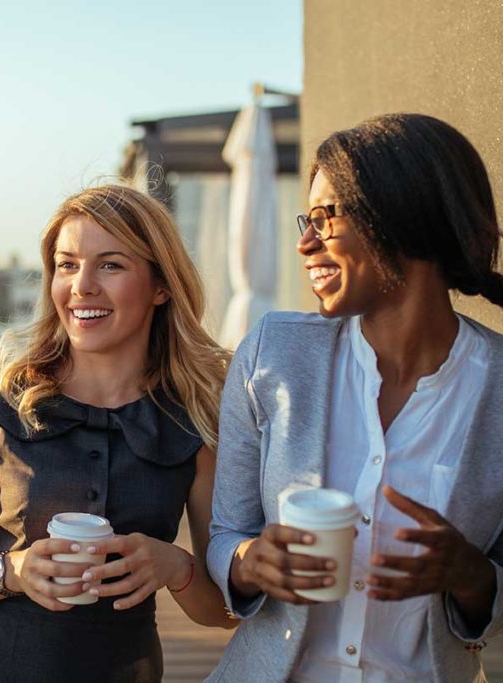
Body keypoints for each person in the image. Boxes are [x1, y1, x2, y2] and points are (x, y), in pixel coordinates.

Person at [207, 113, 503, 682]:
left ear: (399, 214)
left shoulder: (495, 388)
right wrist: (250, 564)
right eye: (305, 219)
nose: (304, 242)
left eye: (324, 218)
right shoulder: (272, 355)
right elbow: (226, 536)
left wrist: (471, 575)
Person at [0, 184, 236, 683]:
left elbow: (220, 610)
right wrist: (13, 571)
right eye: (67, 264)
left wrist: (176, 566)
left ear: (160, 286)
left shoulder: (195, 420)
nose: (81, 285)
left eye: (110, 264)